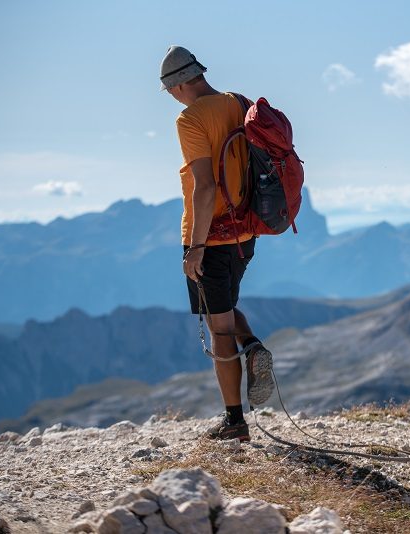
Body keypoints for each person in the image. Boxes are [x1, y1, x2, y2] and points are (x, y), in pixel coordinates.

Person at [160, 45, 274, 442]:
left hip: (212, 237)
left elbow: (205, 187)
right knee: (224, 310)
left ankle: (234, 422)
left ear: (177, 84)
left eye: (170, 89)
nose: (173, 96)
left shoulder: (189, 119)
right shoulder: (239, 103)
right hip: (246, 233)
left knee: (218, 328)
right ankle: (254, 347)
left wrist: (195, 247)